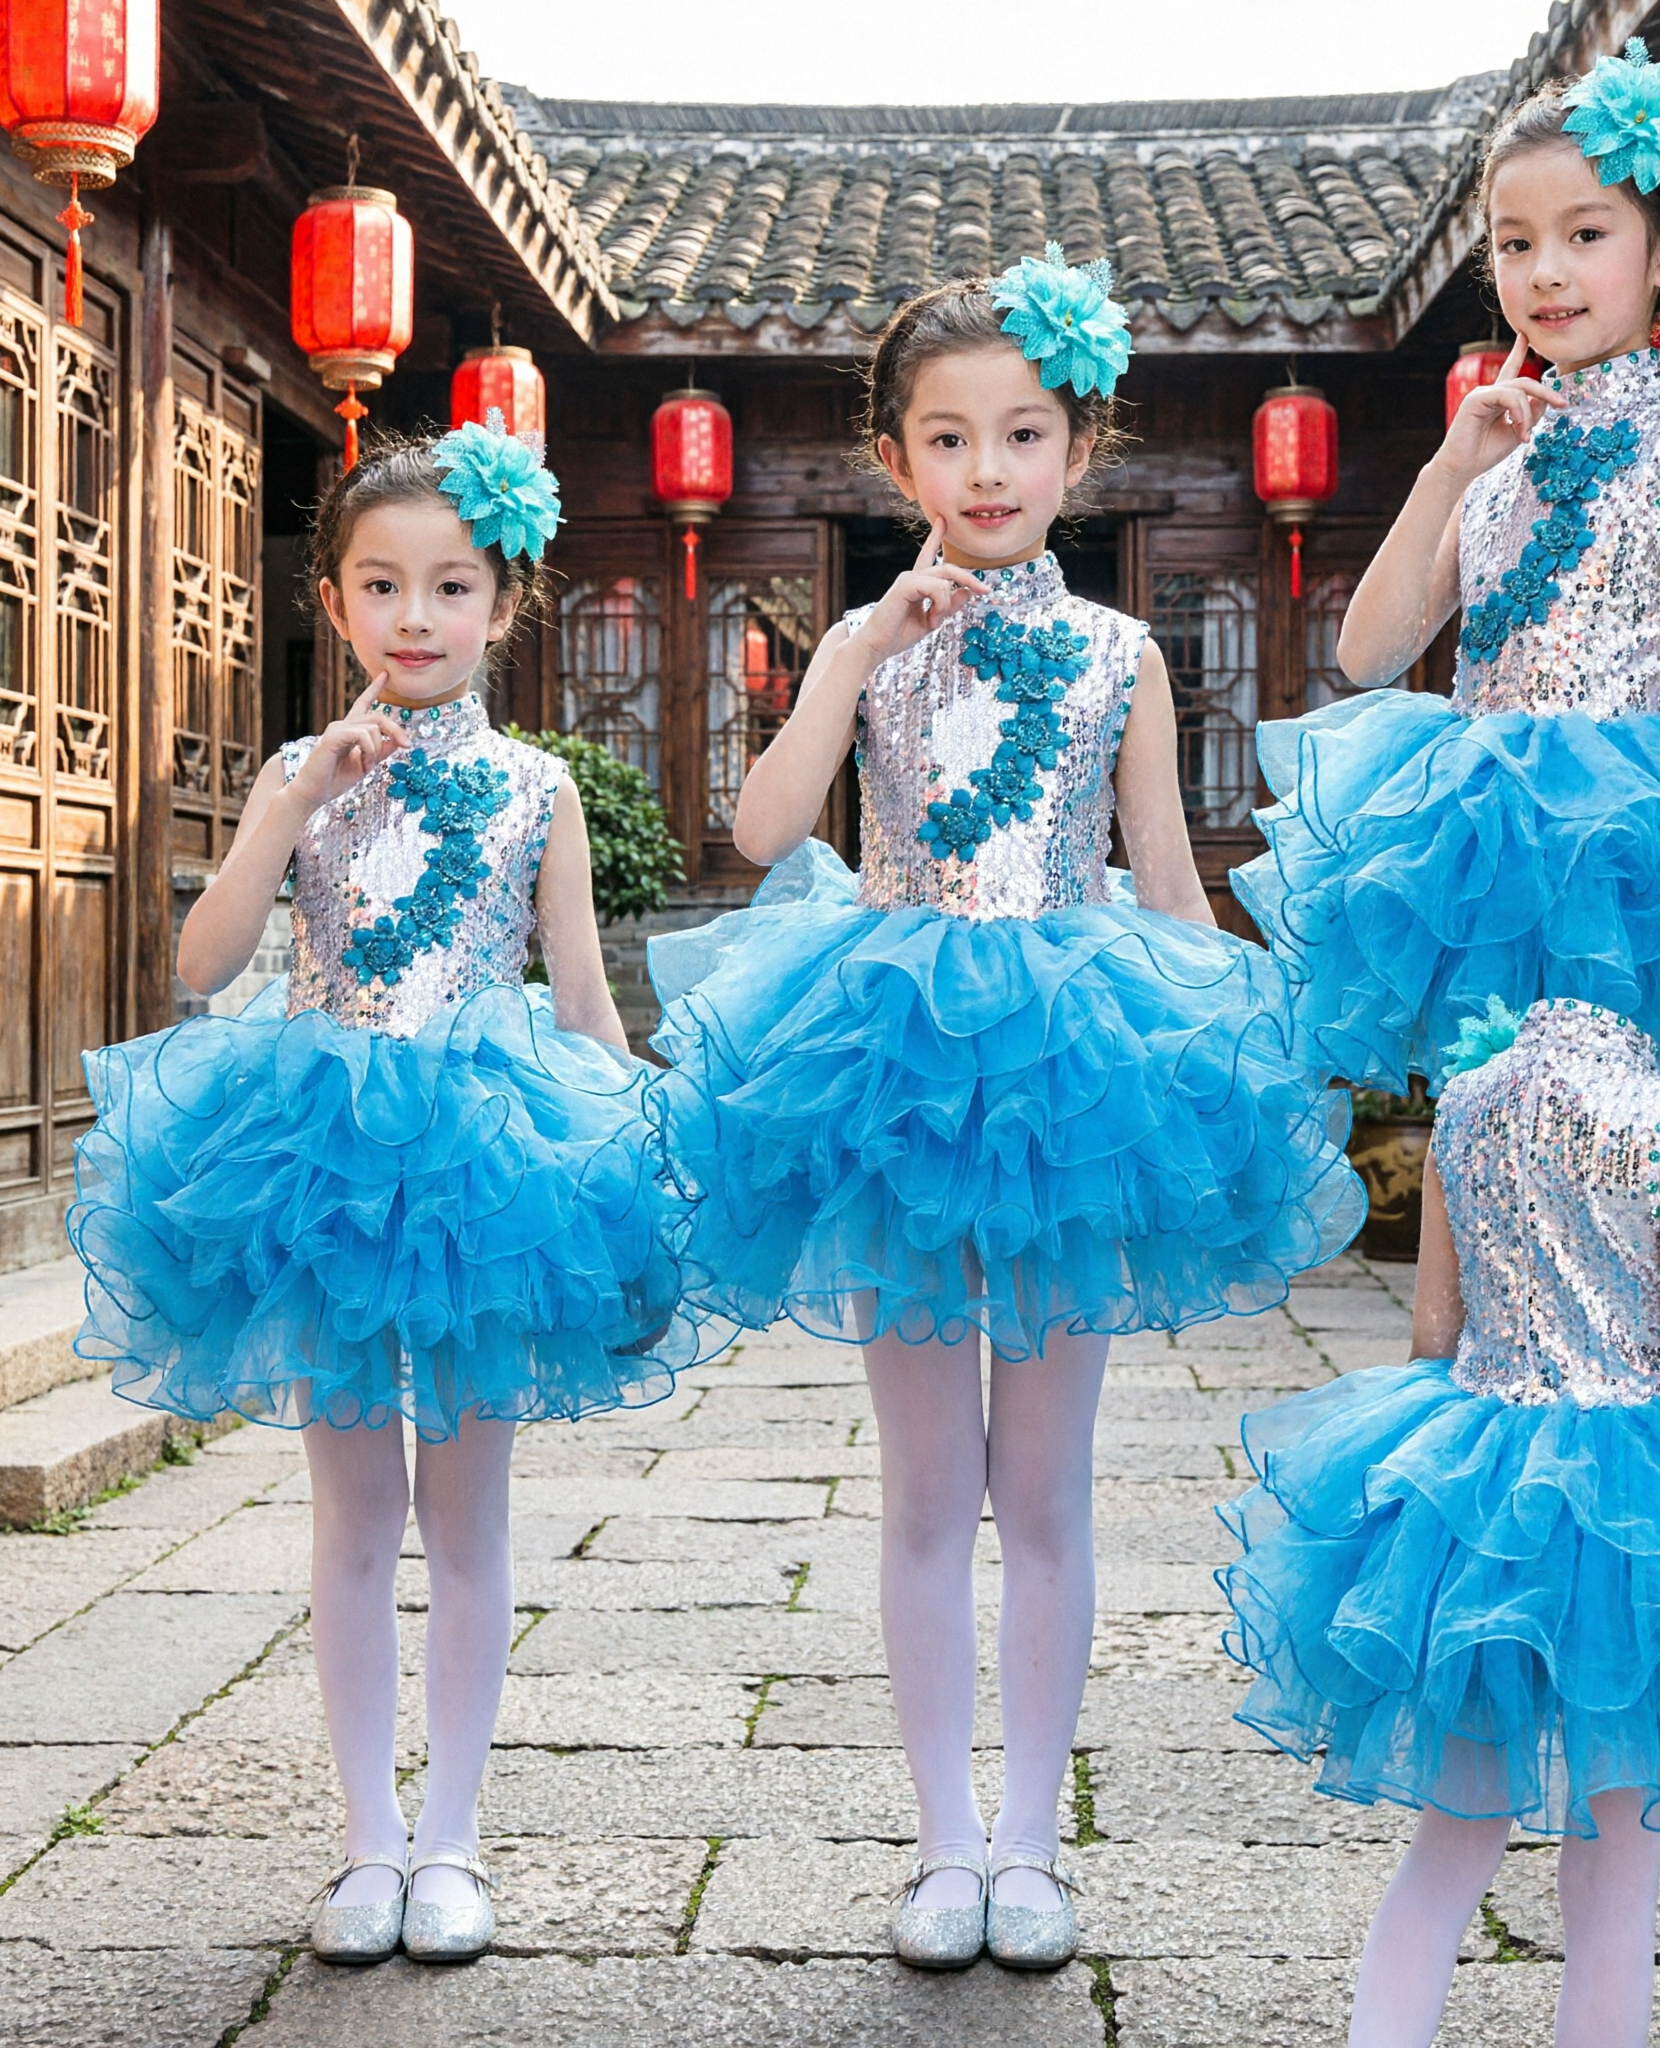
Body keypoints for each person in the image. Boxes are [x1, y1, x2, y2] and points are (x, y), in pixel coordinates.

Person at [646, 245, 1368, 1971]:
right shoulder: (857, 642)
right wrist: (843, 656)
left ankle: (1031, 1844)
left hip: (1071, 1069)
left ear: (1074, 447)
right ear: (893, 462)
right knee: (917, 1489)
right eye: (947, 438)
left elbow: (1172, 885)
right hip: (889, 1067)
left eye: (1020, 433)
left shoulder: (1120, 651)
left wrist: (1235, 1068)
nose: (986, 470)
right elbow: (760, 835)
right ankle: (938, 1840)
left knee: (1041, 1490)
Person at [69, 419, 703, 1964]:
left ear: (503, 601)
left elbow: (583, 1007)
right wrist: (292, 804)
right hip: (326, 1165)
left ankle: (457, 1839)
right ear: (336, 603)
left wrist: (633, 1161)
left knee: (471, 1518)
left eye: (453, 586)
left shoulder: (539, 787)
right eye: (382, 586)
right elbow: (199, 967)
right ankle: (366, 1846)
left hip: (493, 1167)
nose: (417, 617)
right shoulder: (298, 773)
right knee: (351, 1517)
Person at [1219, 995, 1660, 2047]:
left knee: (1449, 1843)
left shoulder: (1465, 1101)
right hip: (1639, 1522)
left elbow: (1433, 1333)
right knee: (1615, 1867)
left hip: (1479, 1500)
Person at [1233, 39, 1660, 1103]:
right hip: (1474, 846)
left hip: (1628, 853)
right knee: (1477, 1137)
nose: (1545, 271)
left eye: (1585, 234)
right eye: (1514, 244)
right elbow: (1368, 655)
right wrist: (1445, 468)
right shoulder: (1490, 448)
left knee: (1608, 1140)